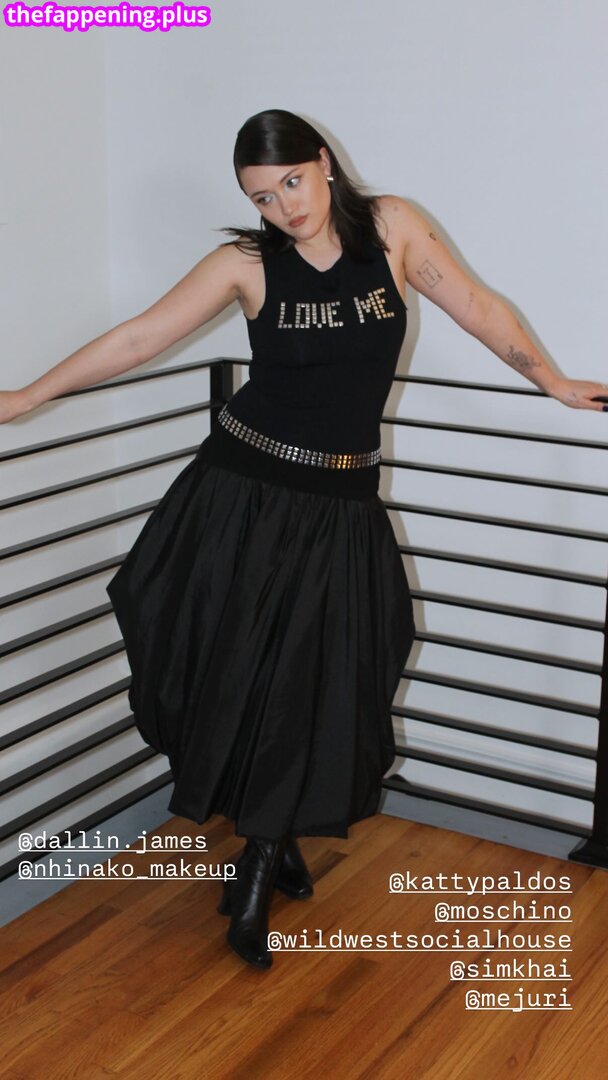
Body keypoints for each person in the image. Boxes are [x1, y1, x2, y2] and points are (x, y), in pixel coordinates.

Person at [2, 109, 606, 972]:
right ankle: (259, 863)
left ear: (323, 163)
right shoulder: (244, 265)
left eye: (292, 182)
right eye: (262, 196)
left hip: (341, 503)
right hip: (241, 494)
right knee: (233, 666)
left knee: (327, 673)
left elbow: (474, 304)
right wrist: (27, 397)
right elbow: (140, 336)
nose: (285, 207)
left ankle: (268, 844)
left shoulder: (393, 228)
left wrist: (551, 380)